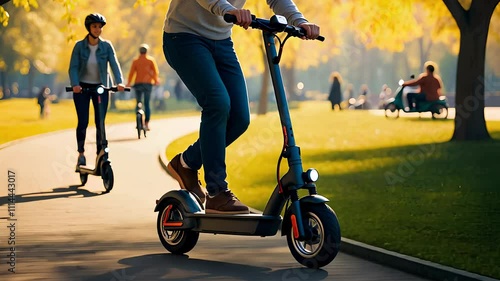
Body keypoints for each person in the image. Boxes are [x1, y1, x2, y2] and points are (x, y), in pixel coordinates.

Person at [162, 1, 320, 214]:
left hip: (221, 40)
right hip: (183, 36)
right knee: (217, 103)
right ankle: (217, 193)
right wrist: (227, 9)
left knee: (239, 118)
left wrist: (299, 21)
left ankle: (186, 163)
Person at [68, 13, 125, 167]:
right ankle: (81, 153)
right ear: (89, 28)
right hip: (82, 88)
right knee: (83, 121)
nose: (98, 29)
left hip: (101, 87)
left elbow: (114, 64)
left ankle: (101, 153)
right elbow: (73, 67)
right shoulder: (79, 46)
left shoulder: (106, 46)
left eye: (100, 27)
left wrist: (119, 82)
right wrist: (75, 84)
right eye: (94, 26)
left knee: (100, 122)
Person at [127, 43, 160, 131]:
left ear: (139, 52)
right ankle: (146, 123)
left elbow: (131, 73)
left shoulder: (135, 61)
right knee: (147, 103)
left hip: (138, 84)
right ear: (147, 51)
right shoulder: (150, 60)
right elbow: (155, 72)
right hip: (148, 84)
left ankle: (138, 122)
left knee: (138, 102)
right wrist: (156, 80)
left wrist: (129, 83)